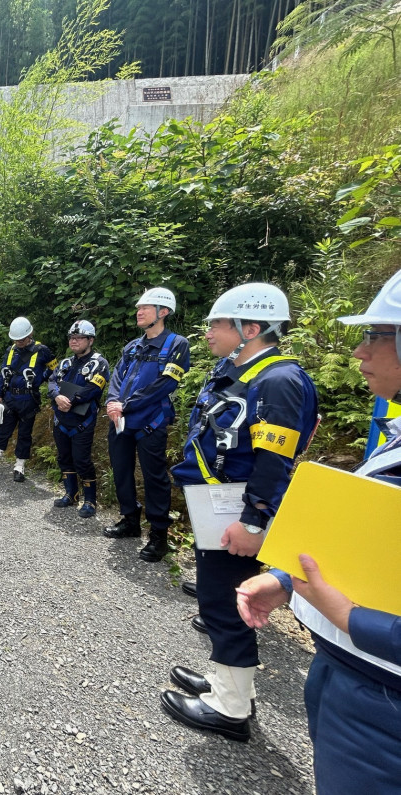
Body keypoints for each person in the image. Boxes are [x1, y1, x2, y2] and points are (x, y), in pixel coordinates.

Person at [236, 270, 401, 789]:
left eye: (377, 335)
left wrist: (356, 621)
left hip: (382, 695)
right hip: (349, 667)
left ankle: (230, 696)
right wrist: (288, 582)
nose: (359, 351)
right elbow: (374, 543)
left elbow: (273, 453)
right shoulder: (395, 435)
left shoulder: (279, 379)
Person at [160, 284, 318, 742]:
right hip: (217, 504)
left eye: (217, 324)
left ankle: (229, 709)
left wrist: (253, 521)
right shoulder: (239, 370)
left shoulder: (278, 380)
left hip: (239, 511)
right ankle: (229, 684)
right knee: (216, 596)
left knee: (226, 601)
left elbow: (274, 460)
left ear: (250, 328)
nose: (208, 332)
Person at [103, 287, 190, 562]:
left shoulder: (176, 344)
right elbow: (117, 376)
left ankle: (158, 535)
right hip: (120, 421)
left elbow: (166, 383)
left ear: (163, 312)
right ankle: (130, 520)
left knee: (155, 478)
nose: (139, 312)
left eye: (145, 308)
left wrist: (126, 405)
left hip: (151, 422)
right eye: (138, 308)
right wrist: (113, 402)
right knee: (121, 471)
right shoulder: (132, 346)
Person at [0, 317, 57, 482]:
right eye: (16, 339)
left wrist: (40, 378)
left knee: (25, 433)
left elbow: (55, 369)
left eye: (22, 339)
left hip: (28, 398)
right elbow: (3, 373)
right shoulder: (10, 350)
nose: (19, 342)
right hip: (10, 397)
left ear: (30, 335)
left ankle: (19, 467)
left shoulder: (42, 350)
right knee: (3, 429)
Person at [47, 320, 110, 518]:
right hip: (61, 420)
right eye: (71, 338)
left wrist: (70, 401)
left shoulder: (99, 363)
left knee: (82, 460)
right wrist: (57, 396)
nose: (74, 341)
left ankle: (90, 500)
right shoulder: (65, 363)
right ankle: (71, 494)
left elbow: (93, 389)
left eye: (79, 338)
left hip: (83, 422)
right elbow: (52, 382)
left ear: (91, 340)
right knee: (64, 458)